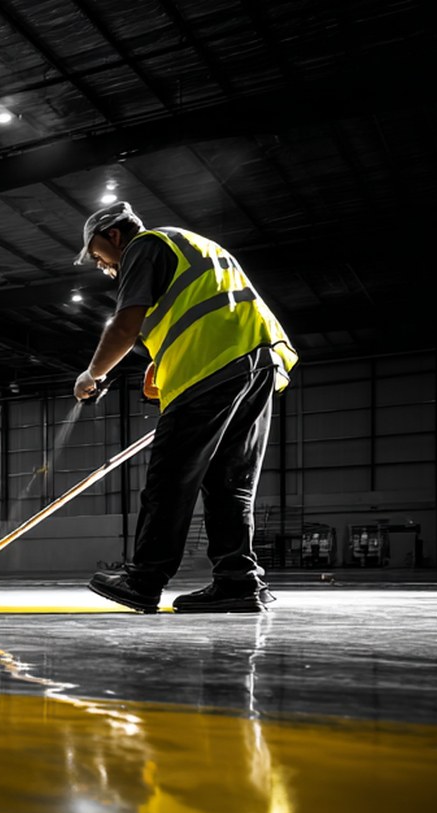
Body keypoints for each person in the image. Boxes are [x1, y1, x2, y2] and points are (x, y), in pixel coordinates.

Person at [71, 202, 298, 613]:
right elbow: (203, 305)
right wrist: (161, 362)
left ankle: (144, 580)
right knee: (230, 483)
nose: (101, 265)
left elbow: (126, 323)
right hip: (258, 360)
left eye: (97, 254)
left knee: (170, 477)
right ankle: (238, 581)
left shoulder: (144, 246)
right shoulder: (188, 243)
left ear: (114, 235)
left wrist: (92, 374)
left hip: (210, 366)